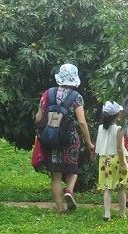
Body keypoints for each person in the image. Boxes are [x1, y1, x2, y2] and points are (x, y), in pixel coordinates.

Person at [35, 63, 95, 214]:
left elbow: (38, 117)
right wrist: (89, 142)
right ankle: (69, 190)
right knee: (72, 170)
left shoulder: (47, 94)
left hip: (50, 138)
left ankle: (60, 208)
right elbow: (81, 121)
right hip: (70, 139)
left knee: (55, 175)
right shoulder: (76, 97)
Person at [96, 101, 128, 220]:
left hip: (104, 160)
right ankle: (122, 213)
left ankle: (107, 213)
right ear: (117, 115)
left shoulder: (100, 128)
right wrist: (123, 162)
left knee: (108, 188)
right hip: (116, 159)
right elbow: (119, 148)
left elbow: (98, 145)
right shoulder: (118, 129)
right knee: (121, 188)